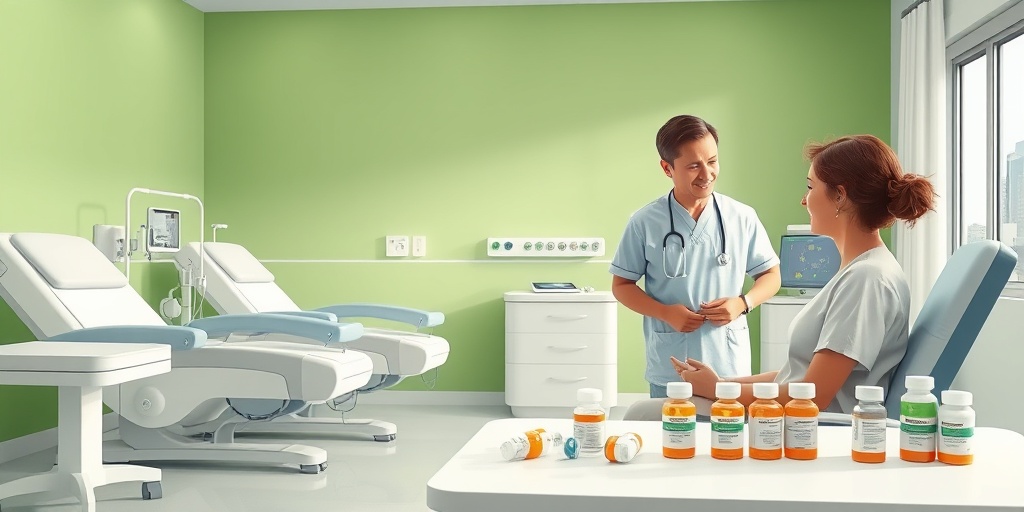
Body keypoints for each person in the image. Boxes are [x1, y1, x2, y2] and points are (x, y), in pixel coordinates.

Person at [674, 134, 936, 413]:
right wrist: (722, 383)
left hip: (811, 429)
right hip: (794, 417)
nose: (803, 200)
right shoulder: (861, 271)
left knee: (646, 413)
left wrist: (716, 391)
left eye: (810, 187)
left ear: (840, 196)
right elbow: (795, 376)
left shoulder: (868, 280)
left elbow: (814, 396)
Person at [610, 115, 781, 399]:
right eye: (693, 166)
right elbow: (621, 286)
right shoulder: (644, 222)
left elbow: (771, 275)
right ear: (667, 168)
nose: (706, 174)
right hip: (672, 365)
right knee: (673, 440)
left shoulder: (742, 217)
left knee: (728, 440)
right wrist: (664, 312)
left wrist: (743, 303)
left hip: (729, 366)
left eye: (712, 161)